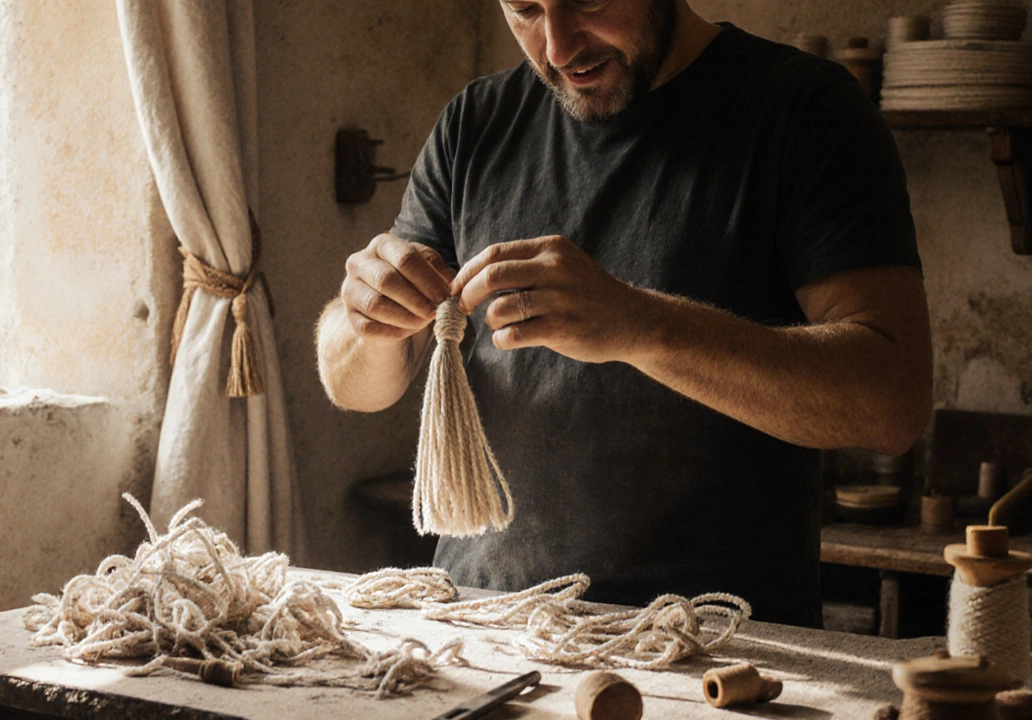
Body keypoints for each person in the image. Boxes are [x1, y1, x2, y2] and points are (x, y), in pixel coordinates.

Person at [314, 0, 932, 627]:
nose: (557, 47)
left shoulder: (806, 109)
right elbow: (353, 386)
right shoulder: (474, 123)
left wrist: (639, 325)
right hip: (485, 628)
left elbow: (892, 403)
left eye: (588, 1)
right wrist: (366, 319)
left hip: (710, 645)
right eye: (525, 8)